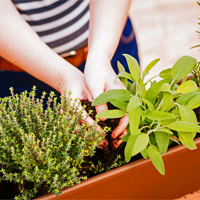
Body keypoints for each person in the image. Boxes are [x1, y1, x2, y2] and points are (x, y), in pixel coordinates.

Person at [0, 0, 139, 148]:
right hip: (19, 71)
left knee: (128, 135)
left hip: (108, 37)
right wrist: (64, 76)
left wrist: (101, 56)